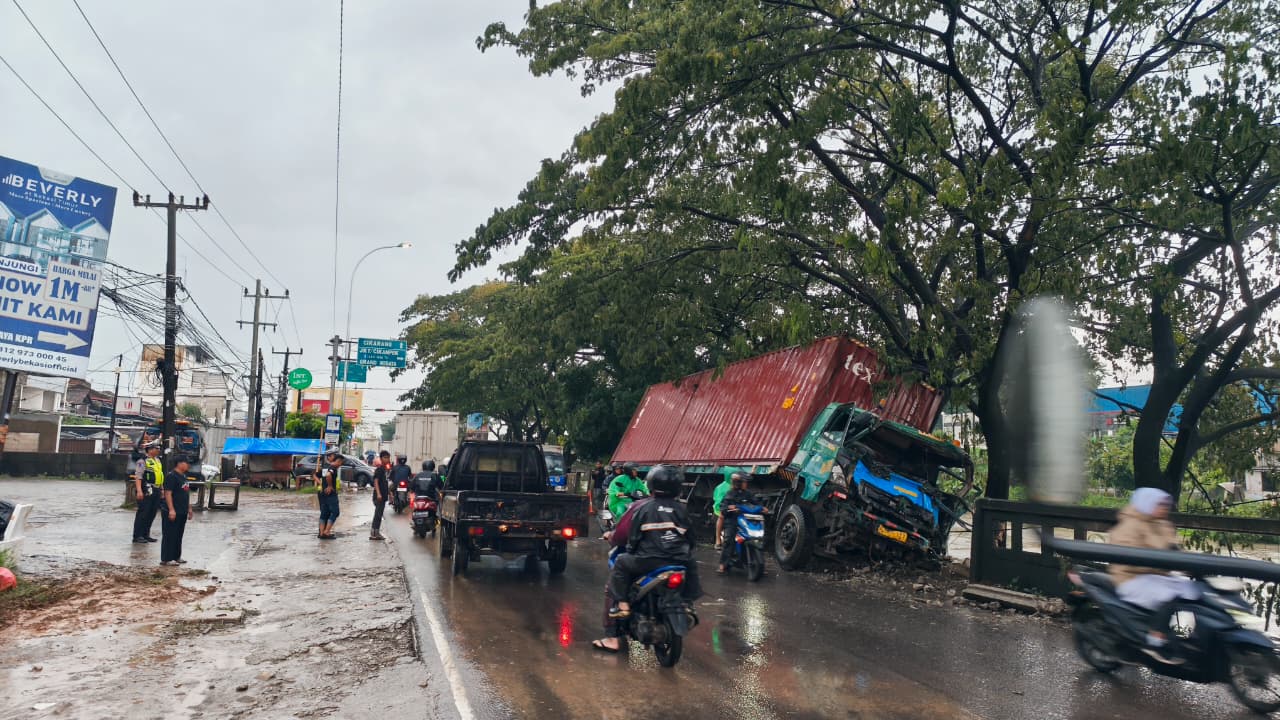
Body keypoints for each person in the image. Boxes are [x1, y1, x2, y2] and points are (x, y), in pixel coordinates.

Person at [1109, 487, 1200, 664]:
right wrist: (1160, 565)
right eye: (1160, 504)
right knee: (1169, 596)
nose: (1164, 508)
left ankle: (1184, 636)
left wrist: (1192, 566)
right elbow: (1127, 559)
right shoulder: (1129, 525)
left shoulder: (1163, 524)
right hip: (1131, 578)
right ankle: (1154, 642)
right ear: (1147, 503)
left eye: (1166, 504)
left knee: (1192, 591)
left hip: (1157, 575)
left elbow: (1174, 550)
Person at [606, 465, 702, 621]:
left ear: (651, 484)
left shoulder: (643, 508)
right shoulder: (681, 509)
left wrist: (631, 550)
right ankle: (687, 602)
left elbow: (633, 538)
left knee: (621, 562)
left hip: (649, 560)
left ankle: (622, 604)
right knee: (691, 562)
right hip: (679, 560)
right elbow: (691, 539)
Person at [592, 492, 652, 652]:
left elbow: (620, 535)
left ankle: (613, 636)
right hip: (675, 561)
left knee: (616, 577)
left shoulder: (639, 507)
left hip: (645, 559)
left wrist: (611, 536)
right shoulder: (679, 509)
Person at [718, 472, 764, 573]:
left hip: (745, 519)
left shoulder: (748, 493)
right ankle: (723, 564)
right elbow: (723, 507)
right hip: (732, 520)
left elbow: (756, 502)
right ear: (738, 483)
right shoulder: (729, 494)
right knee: (729, 540)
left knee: (758, 538)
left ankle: (758, 563)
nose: (746, 484)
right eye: (744, 482)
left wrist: (762, 508)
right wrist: (729, 508)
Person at [160, 456, 194, 566]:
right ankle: (166, 558)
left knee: (178, 534)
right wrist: (171, 509)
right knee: (170, 534)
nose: (188, 465)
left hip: (182, 510)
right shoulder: (171, 476)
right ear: (179, 463)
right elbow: (168, 493)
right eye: (186, 463)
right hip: (172, 510)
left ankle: (176, 556)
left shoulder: (183, 476)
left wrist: (189, 508)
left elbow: (186, 493)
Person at [131, 441, 164, 544]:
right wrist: (139, 491)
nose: (158, 450)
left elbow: (160, 476)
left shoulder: (158, 460)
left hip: (157, 489)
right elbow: (138, 477)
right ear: (149, 450)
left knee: (152, 513)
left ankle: (146, 534)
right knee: (143, 513)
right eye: (156, 448)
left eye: (158, 448)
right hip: (146, 489)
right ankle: (137, 536)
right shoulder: (142, 461)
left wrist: (162, 489)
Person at [314, 452, 343, 539]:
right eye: (341, 463)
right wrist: (330, 486)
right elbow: (328, 475)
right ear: (339, 461)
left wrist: (322, 485)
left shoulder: (325, 467)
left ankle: (321, 533)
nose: (341, 465)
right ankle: (326, 532)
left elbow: (315, 475)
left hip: (323, 494)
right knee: (335, 512)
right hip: (331, 493)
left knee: (324, 513)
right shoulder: (332, 468)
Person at [369, 450, 392, 540]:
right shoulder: (379, 469)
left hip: (383, 496)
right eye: (385, 457)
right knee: (378, 515)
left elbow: (385, 483)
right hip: (379, 496)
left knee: (379, 514)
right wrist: (378, 494)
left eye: (388, 457)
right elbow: (376, 481)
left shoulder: (385, 469)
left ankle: (376, 533)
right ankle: (374, 534)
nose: (387, 459)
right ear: (381, 458)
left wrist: (390, 494)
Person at [711, 470, 732, 552]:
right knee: (721, 518)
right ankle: (718, 539)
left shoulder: (736, 487)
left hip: (733, 509)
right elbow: (718, 503)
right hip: (722, 509)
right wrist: (720, 511)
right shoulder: (721, 488)